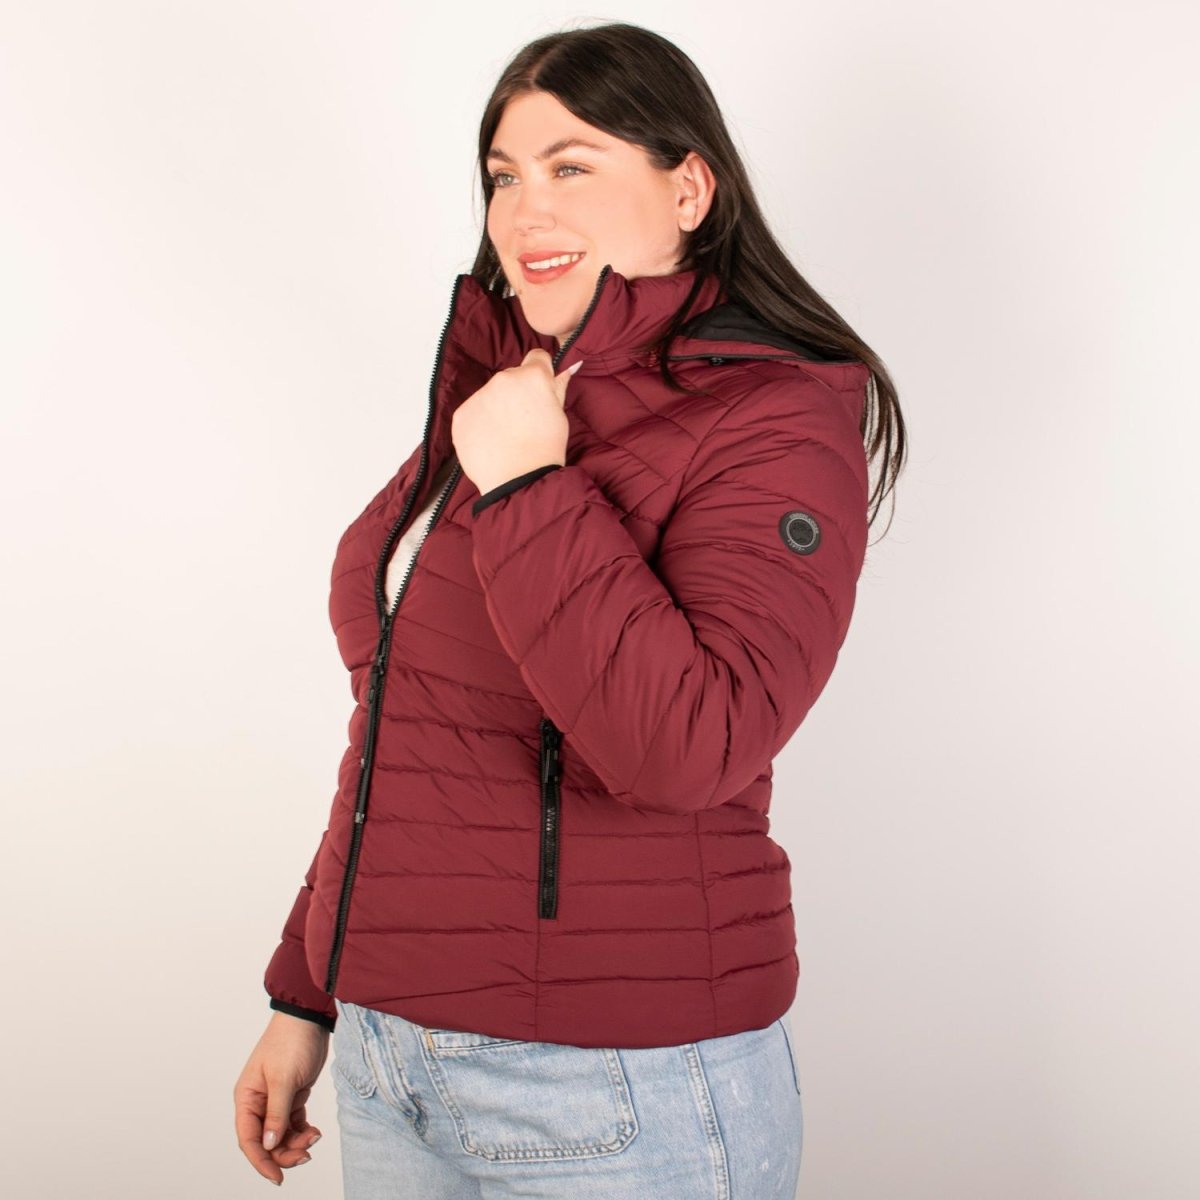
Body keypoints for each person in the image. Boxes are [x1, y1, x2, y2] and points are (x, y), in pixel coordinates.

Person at [233, 20, 905, 1197]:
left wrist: (531, 489)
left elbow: (693, 744)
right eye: (504, 176)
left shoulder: (772, 419)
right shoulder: (514, 394)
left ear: (689, 188)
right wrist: (308, 990)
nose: (524, 209)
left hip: (621, 1088)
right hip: (394, 1062)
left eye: (571, 165)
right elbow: (407, 724)